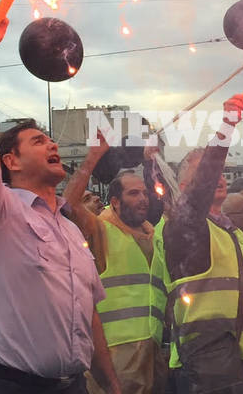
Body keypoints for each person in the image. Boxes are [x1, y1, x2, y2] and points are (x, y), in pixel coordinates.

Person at [0, 11, 120, 394]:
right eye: (38, 141)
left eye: (50, 140)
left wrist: (112, 387)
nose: (52, 145)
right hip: (8, 386)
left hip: (73, 386)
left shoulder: (69, 230)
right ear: (10, 162)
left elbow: (88, 316)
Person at [151, 96, 243, 394]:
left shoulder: (237, 234)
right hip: (205, 360)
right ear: (184, 188)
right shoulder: (182, 224)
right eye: (204, 170)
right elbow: (202, 184)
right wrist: (226, 126)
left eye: (219, 170)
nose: (216, 175)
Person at [60, 137, 166, 394]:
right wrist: (92, 158)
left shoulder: (154, 233)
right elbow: (69, 206)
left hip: (154, 349)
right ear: (115, 202)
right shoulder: (100, 229)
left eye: (143, 193)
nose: (143, 199)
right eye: (133, 193)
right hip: (113, 354)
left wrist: (152, 162)